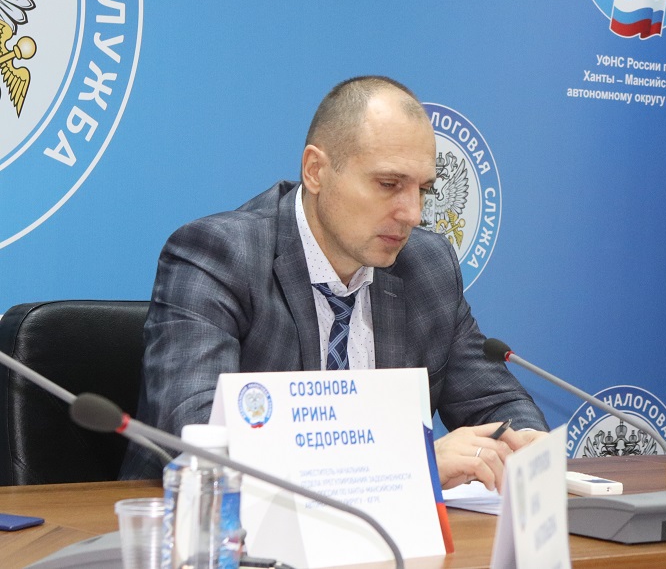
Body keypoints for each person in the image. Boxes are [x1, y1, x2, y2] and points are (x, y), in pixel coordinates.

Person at [120, 76, 549, 488]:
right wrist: (410, 467)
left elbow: (496, 403)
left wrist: (525, 444)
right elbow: (199, 441)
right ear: (316, 171)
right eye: (389, 184)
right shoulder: (219, 256)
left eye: (423, 190)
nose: (412, 214)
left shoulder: (427, 266)